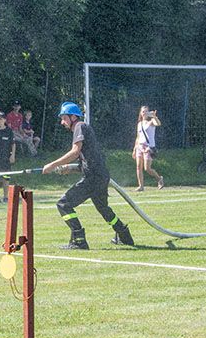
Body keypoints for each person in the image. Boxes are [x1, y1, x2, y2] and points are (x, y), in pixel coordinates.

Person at [42, 102, 134, 249]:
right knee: (103, 208)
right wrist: (69, 168)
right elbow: (86, 162)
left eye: (64, 118)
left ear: (73, 117)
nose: (62, 122)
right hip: (100, 176)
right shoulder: (84, 129)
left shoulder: (80, 126)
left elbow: (75, 152)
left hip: (93, 178)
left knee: (64, 204)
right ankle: (124, 235)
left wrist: (52, 165)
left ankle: (79, 240)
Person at [132, 106, 165, 191]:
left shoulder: (151, 122)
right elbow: (138, 137)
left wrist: (154, 116)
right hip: (140, 146)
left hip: (148, 147)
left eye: (146, 111)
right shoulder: (139, 124)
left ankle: (159, 179)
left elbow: (158, 123)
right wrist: (135, 149)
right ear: (140, 113)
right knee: (138, 167)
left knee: (147, 168)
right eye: (143, 111)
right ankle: (141, 186)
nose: (144, 113)